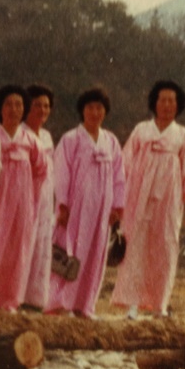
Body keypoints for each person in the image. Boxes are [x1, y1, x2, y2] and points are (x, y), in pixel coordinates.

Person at [111, 80, 185, 318]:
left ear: (178, 105)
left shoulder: (182, 136)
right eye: (162, 100)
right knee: (135, 246)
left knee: (165, 247)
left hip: (169, 199)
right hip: (138, 196)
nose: (167, 105)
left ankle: (160, 305)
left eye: (172, 101)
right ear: (155, 103)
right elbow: (124, 163)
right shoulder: (141, 130)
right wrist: (118, 200)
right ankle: (132, 305)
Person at [46, 87, 125, 318]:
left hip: (102, 211)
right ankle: (59, 303)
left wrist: (117, 207)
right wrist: (63, 204)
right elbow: (61, 173)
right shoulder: (70, 140)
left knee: (95, 256)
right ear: (82, 110)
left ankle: (85, 305)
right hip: (76, 209)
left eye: (99, 108)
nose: (95, 112)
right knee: (70, 253)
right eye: (90, 107)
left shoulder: (111, 141)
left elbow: (120, 176)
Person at [0, 85, 48, 311]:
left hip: (22, 205)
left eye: (19, 105)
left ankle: (10, 301)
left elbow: (41, 171)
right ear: (0, 108)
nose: (13, 109)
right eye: (8, 104)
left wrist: (31, 199)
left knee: (18, 252)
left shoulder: (30, 141)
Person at [21, 84, 56, 312]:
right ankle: (15, 296)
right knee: (22, 244)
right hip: (24, 197)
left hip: (44, 200)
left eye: (46, 106)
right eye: (37, 105)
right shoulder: (20, 132)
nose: (42, 110)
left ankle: (34, 299)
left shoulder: (47, 136)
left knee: (41, 247)